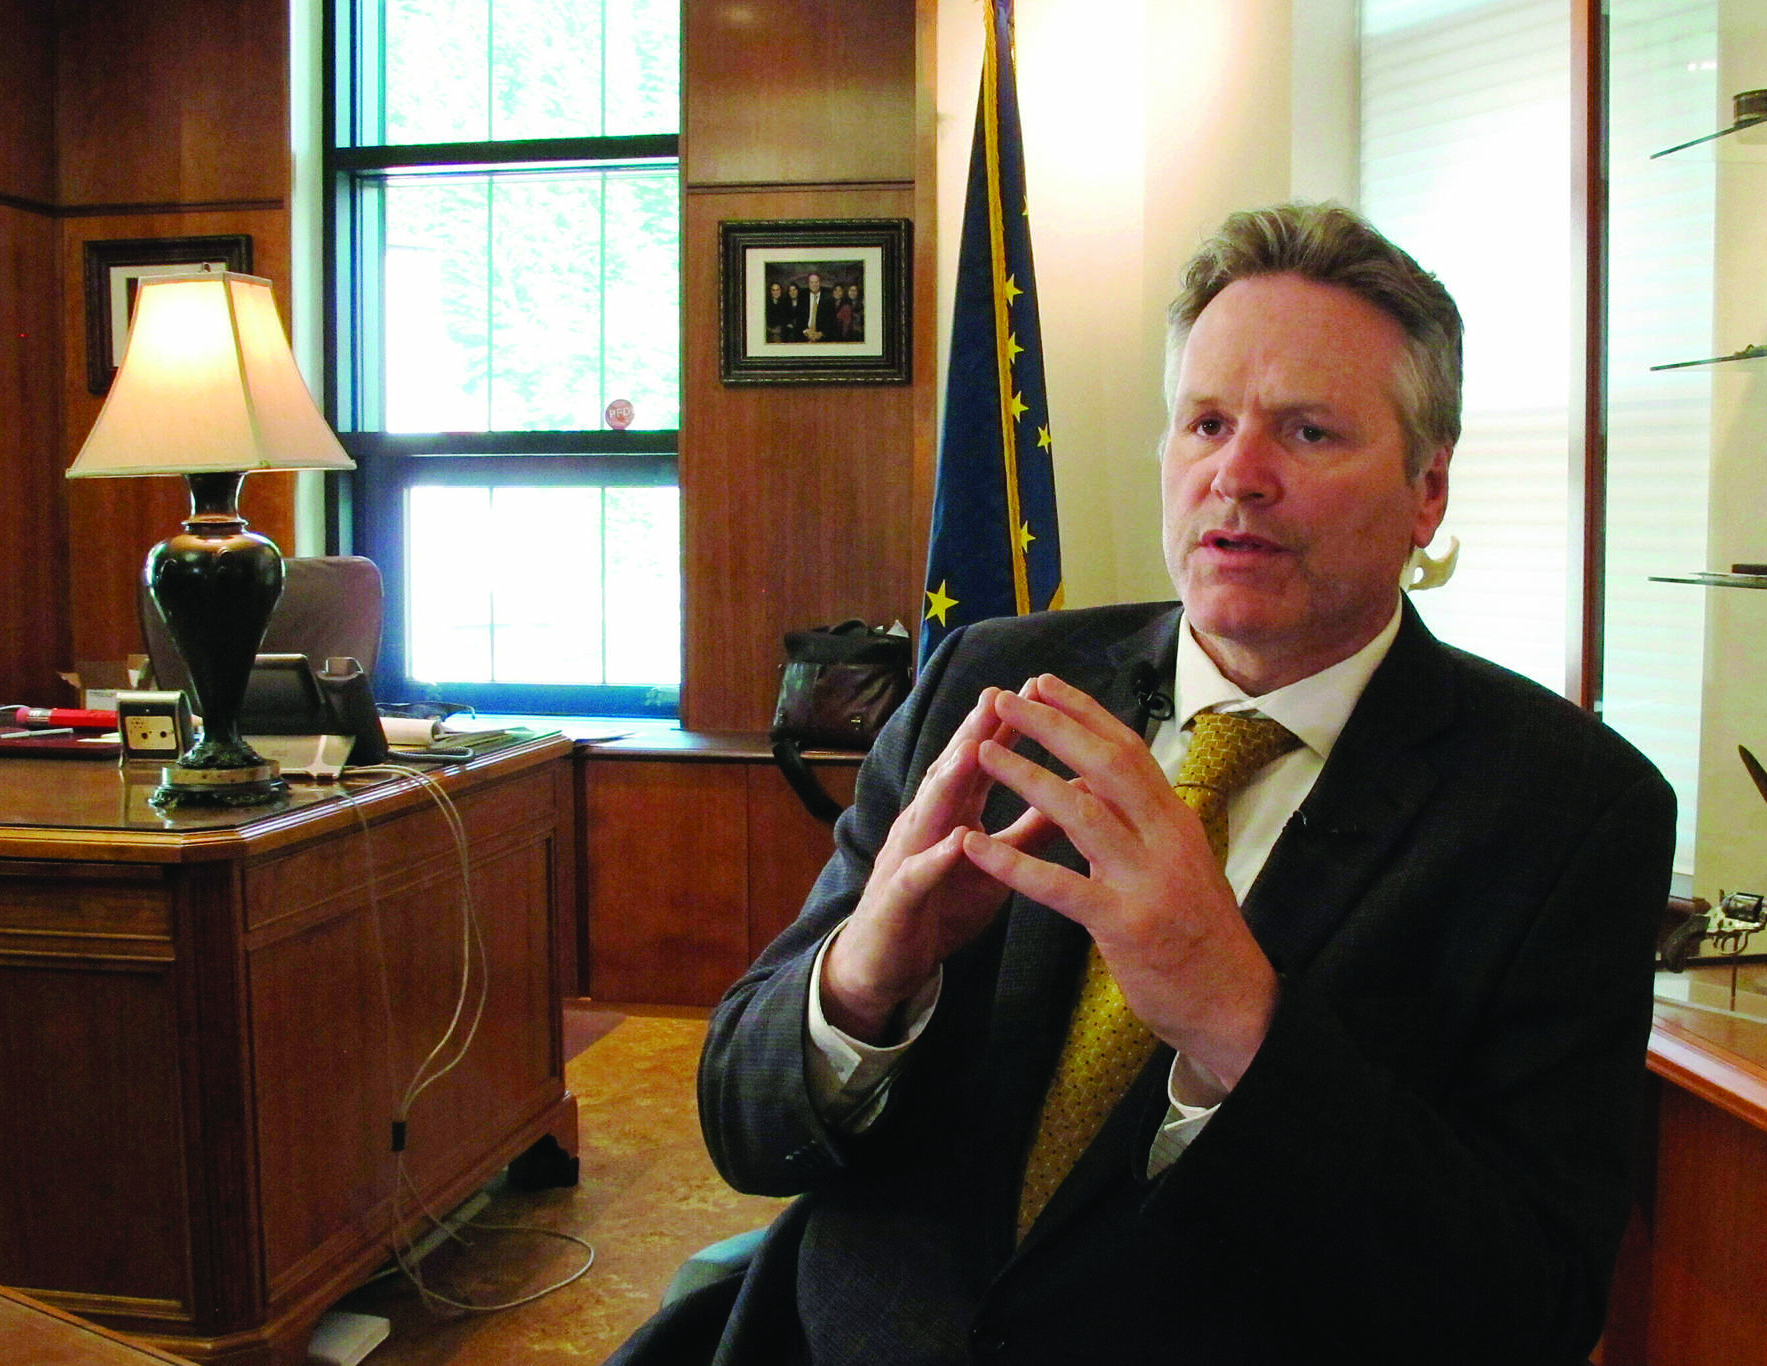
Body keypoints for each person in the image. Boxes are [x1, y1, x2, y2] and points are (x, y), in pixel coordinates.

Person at [611, 203, 1676, 1365]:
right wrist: (866, 976)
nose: (1238, 474)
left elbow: (1523, 1308)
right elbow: (743, 1124)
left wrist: (1238, 1023)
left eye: (1309, 433)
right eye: (1205, 422)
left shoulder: (1567, 812)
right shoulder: (992, 683)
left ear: (1426, 489)